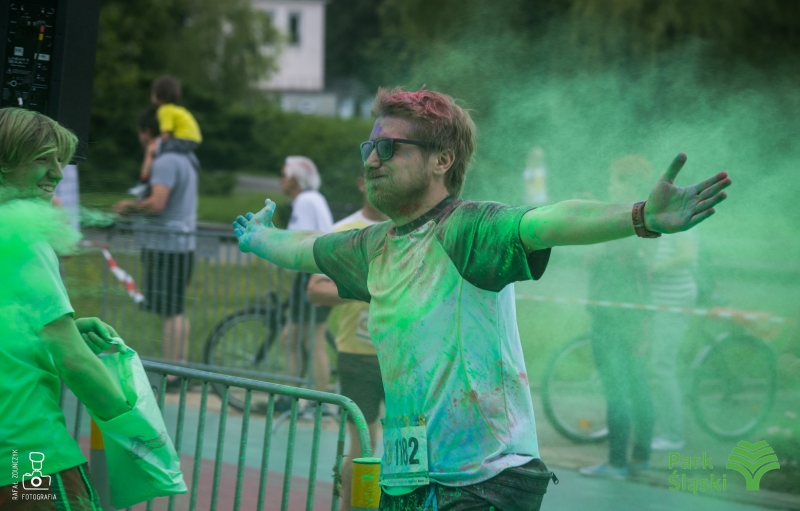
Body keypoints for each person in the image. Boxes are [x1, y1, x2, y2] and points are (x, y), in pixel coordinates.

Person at [232, 87, 731, 510]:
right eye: (369, 147)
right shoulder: (374, 247)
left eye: (390, 148)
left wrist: (640, 216)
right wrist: (257, 238)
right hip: (409, 478)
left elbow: (550, 219)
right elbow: (304, 250)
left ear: (441, 160)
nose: (371, 159)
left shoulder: (468, 228)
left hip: (484, 482)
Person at [0, 108, 131, 509]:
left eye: (60, 159)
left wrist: (63, 327)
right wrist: (138, 430)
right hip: (29, 459)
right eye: (42, 158)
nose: (57, 173)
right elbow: (72, 358)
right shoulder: (23, 238)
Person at [306, 172, 389, 511]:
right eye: (372, 178)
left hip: (404, 357)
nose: (379, 184)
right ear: (359, 182)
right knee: (364, 448)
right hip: (358, 355)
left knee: (411, 450)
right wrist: (367, 288)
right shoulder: (343, 231)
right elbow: (315, 290)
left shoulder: (413, 228)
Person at [578, 155, 656, 480]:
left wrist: (592, 213)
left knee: (618, 391)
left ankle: (616, 464)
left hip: (611, 317)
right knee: (638, 386)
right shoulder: (646, 219)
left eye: (614, 180)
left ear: (628, 184)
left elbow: (592, 256)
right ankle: (639, 459)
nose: (610, 185)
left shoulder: (620, 223)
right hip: (637, 315)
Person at [114, 108, 199, 370]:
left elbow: (157, 202)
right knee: (175, 310)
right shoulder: (187, 157)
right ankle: (178, 368)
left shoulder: (166, 161)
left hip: (167, 247)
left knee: (170, 311)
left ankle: (171, 374)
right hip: (181, 245)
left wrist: (130, 206)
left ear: (147, 132)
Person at [278, 156, 334, 397]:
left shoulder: (304, 200)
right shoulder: (313, 199)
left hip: (314, 276)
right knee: (292, 338)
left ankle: (318, 400)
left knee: (312, 340)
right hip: (317, 273)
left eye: (283, 175)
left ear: (293, 179)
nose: (280, 180)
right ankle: (292, 396)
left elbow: (293, 242)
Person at [648, 230, 699, 451]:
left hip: (673, 302)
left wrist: (654, 269)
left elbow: (688, 256)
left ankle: (673, 435)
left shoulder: (680, 221)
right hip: (655, 302)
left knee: (661, 367)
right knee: (652, 365)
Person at [130, 76, 202, 199]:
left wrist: (154, 142)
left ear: (157, 95)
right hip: (193, 140)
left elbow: (166, 133)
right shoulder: (179, 109)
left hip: (183, 140)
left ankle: (142, 182)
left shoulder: (164, 110)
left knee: (151, 149)